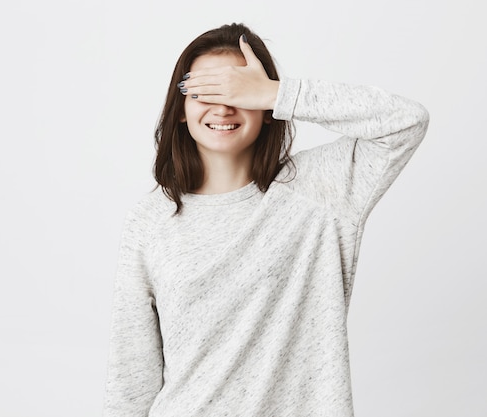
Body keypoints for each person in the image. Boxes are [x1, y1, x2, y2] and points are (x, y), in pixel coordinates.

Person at [103, 22, 429, 417]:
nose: (223, 107)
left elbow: (406, 122)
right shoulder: (151, 219)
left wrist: (277, 93)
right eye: (206, 92)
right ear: (182, 111)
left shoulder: (319, 191)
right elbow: (131, 372)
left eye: (238, 92)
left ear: (269, 111)